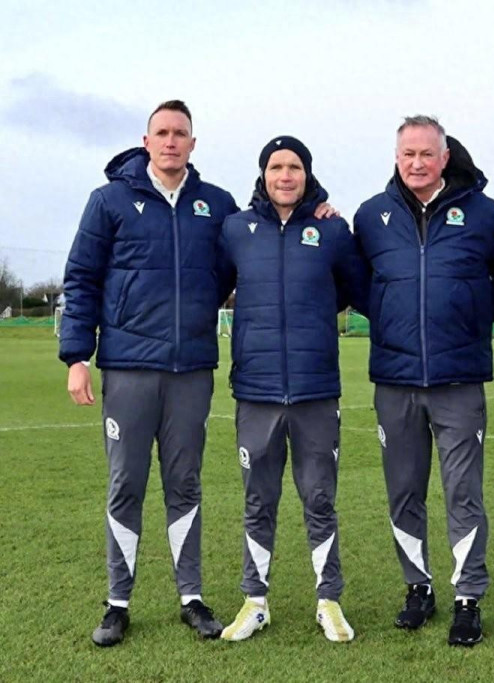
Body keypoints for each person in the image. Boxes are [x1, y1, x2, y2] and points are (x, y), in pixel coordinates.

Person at [59, 100, 240, 646]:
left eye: (180, 133)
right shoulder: (109, 200)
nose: (170, 141)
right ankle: (118, 603)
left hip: (191, 371)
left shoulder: (217, 205)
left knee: (185, 484)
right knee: (126, 484)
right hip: (129, 369)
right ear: (146, 141)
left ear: (193, 143)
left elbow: (250, 246)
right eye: (161, 132)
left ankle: (192, 598)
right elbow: (82, 278)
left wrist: (317, 202)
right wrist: (76, 358)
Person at [353, 116, 494, 646]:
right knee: (404, 492)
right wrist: (391, 313)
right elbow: (357, 283)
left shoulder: (482, 212)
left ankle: (468, 598)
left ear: (445, 157)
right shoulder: (372, 216)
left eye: (427, 153)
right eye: (408, 154)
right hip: (395, 379)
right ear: (396, 157)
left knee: (463, 493)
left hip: (458, 380)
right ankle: (418, 588)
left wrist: (469, 312)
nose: (417, 163)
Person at [218, 136, 368, 643]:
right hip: (256, 391)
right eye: (276, 167)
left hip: (315, 390)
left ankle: (329, 601)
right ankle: (254, 601)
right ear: (263, 174)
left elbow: (353, 289)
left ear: (308, 174)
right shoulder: (236, 229)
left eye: (295, 167)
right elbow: (212, 286)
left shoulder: (332, 231)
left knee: (319, 498)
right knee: (258, 501)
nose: (286, 176)